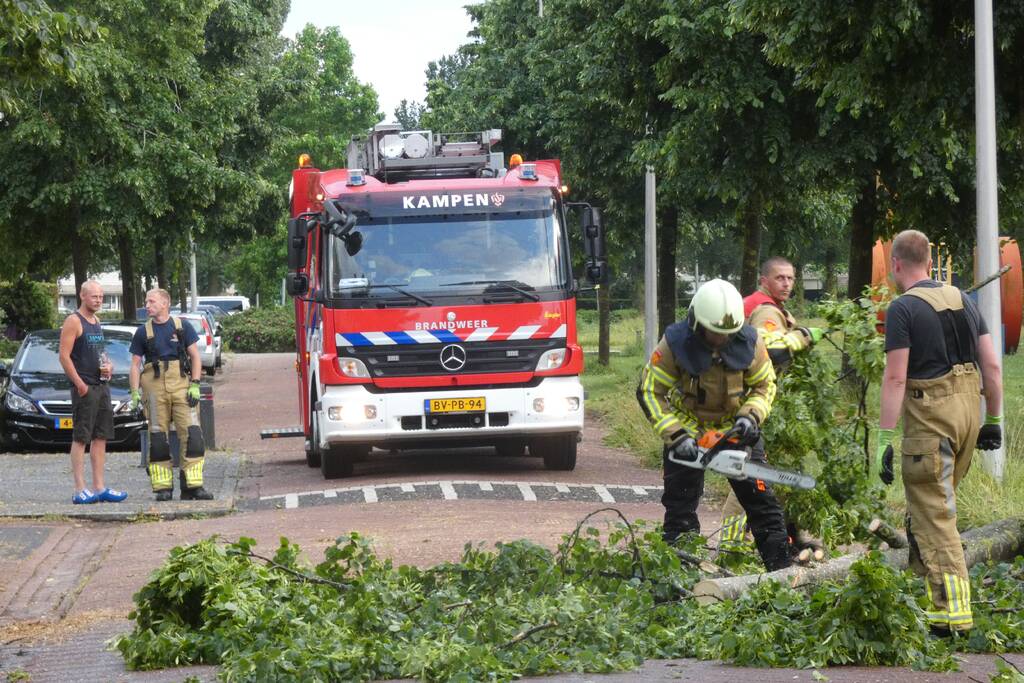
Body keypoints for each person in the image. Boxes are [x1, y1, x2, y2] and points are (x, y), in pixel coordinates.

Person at [877, 229, 1003, 636]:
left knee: (935, 515)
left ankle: (954, 617)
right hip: (968, 413)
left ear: (896, 264)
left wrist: (883, 438)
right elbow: (993, 366)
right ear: (930, 262)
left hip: (931, 418)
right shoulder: (962, 299)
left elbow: (896, 379)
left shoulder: (902, 309)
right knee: (927, 510)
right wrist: (994, 420)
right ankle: (933, 606)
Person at [637, 278, 792, 571]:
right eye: (714, 334)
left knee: (764, 506)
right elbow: (649, 391)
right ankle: (679, 580)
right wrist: (676, 435)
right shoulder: (674, 343)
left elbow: (764, 385)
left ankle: (782, 574)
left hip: (735, 429)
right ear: (697, 323)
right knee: (680, 512)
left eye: (726, 335)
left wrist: (751, 416)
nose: (720, 340)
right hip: (688, 430)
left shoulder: (751, 341)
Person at [720, 257, 825, 555]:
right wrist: (803, 336)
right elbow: (772, 351)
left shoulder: (760, 306)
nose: (787, 284)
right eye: (780, 278)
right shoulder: (765, 310)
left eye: (791, 278)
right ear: (764, 280)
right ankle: (730, 547)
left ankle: (789, 539)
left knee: (766, 472)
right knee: (747, 473)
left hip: (744, 400)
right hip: (747, 404)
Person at [129, 288, 212, 501]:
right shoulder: (142, 332)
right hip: (154, 389)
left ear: (165, 303)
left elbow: (195, 357)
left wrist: (195, 384)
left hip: (182, 386)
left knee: (193, 434)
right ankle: (162, 488)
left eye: (151, 302)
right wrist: (135, 393)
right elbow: (135, 365)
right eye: (146, 302)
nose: (147, 305)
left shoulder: (182, 327)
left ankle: (192, 486)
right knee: (157, 438)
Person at [57, 281, 128, 504]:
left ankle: (99, 487)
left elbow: (99, 353)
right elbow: (64, 356)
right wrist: (79, 384)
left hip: (102, 386)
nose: (98, 300)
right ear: (82, 296)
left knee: (100, 437)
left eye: (101, 296)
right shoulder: (73, 321)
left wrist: (109, 366)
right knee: (81, 437)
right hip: (85, 388)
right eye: (94, 296)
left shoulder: (96, 321)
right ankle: (80, 488)